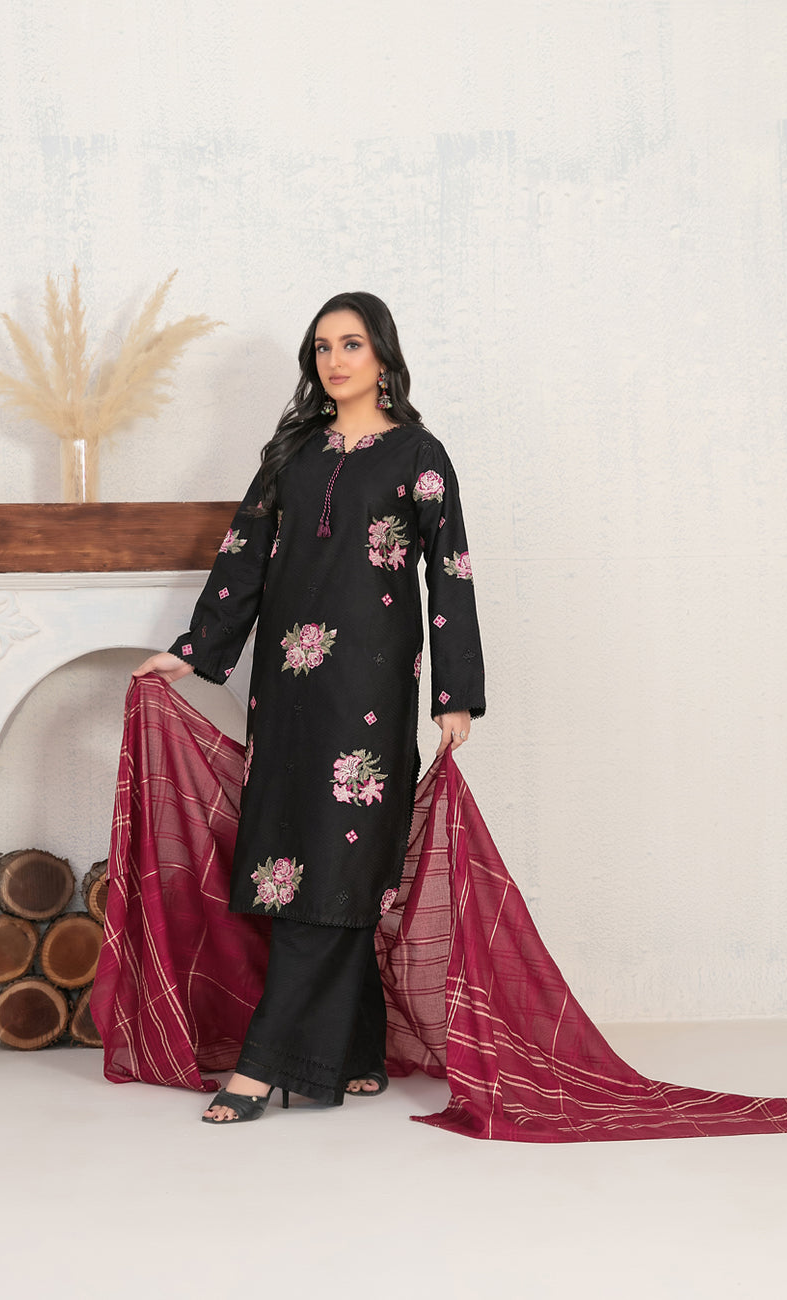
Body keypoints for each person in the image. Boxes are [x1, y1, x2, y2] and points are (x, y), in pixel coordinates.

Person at [133, 291, 485, 1123]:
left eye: (351, 344)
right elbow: (243, 559)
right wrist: (192, 652)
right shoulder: (291, 453)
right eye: (323, 347)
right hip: (287, 689)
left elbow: (451, 573)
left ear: (383, 356)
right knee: (294, 849)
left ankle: (265, 1062)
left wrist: (454, 695)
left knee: (342, 850)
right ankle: (356, 1047)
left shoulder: (419, 455)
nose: (335, 360)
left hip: (370, 686)